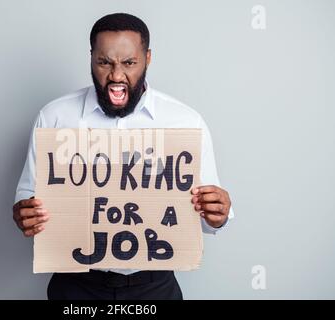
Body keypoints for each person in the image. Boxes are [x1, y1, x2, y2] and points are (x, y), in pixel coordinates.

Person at [13, 13, 234, 300]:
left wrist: (219, 213)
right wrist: (24, 212)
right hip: (76, 285)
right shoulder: (55, 117)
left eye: (129, 63)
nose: (117, 76)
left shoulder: (184, 122)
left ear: (148, 58)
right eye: (104, 62)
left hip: (153, 287)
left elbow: (205, 216)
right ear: (91, 58)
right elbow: (28, 194)